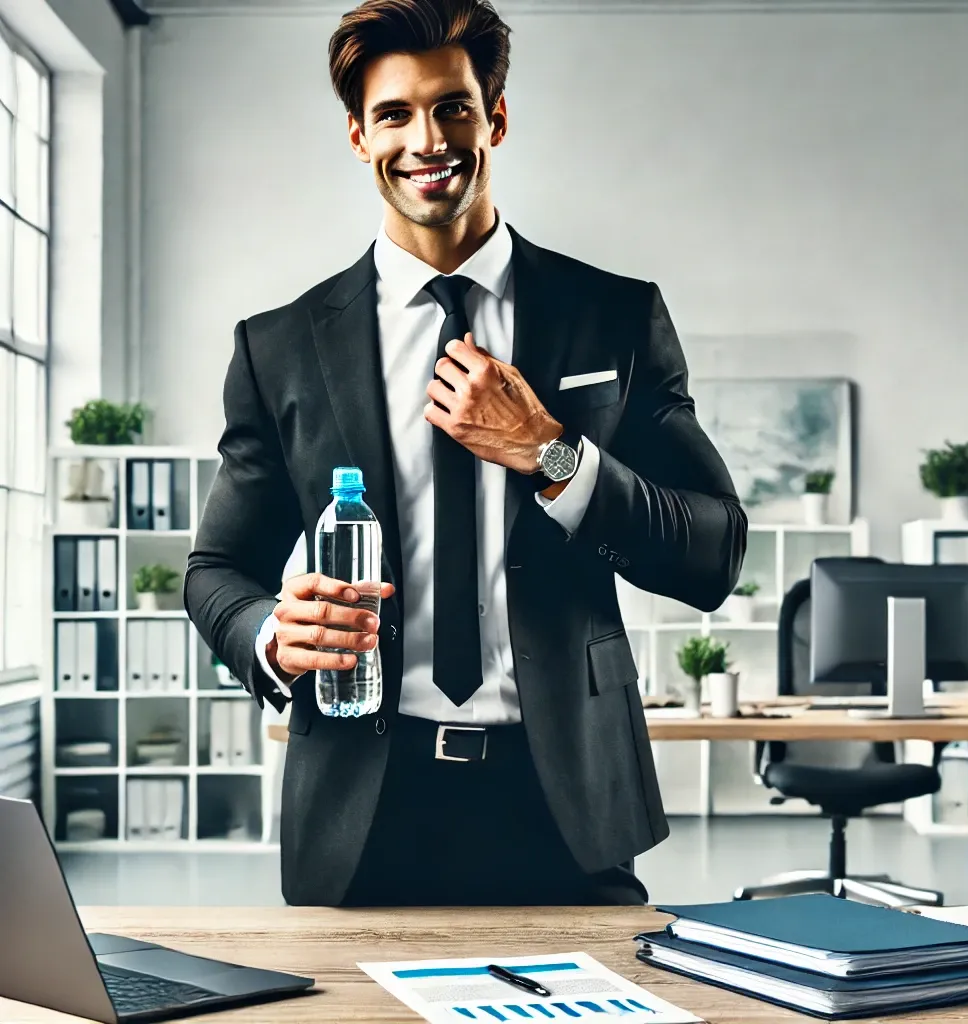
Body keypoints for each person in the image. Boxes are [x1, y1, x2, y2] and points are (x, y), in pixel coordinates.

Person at [184, 0, 747, 909]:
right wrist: (272, 635)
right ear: (359, 138)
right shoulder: (279, 347)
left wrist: (553, 453)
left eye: (452, 107)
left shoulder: (612, 315)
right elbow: (216, 571)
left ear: (497, 117)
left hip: (566, 798)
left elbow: (714, 551)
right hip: (361, 806)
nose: (428, 139)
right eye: (395, 114)